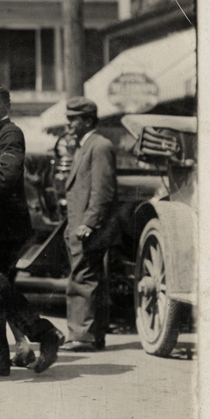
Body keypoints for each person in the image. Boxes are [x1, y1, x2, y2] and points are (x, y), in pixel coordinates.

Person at [0, 83, 64, 376]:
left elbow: (8, 176)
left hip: (6, 228)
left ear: (8, 106)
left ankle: (44, 333)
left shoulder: (11, 133)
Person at [61, 97, 118, 352]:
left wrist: (89, 222)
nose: (69, 124)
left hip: (86, 227)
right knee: (91, 278)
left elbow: (103, 190)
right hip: (79, 225)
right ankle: (94, 335)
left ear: (87, 120)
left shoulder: (99, 146)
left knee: (82, 279)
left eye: (73, 119)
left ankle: (81, 337)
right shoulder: (86, 146)